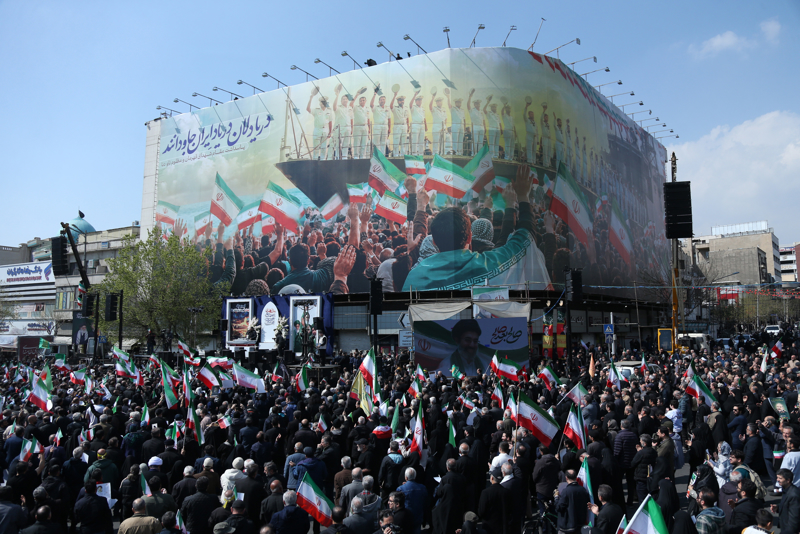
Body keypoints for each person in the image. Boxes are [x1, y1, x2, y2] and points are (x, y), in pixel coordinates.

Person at [402, 164, 551, 293]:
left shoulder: (415, 278)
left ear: (434, 241)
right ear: (469, 237)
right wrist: (523, 196)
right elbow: (524, 239)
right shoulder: (491, 264)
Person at [555, 469, 589, 534]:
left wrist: (556, 498)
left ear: (566, 478)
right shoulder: (583, 490)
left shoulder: (566, 491)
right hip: (580, 525)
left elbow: (559, 507)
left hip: (567, 527)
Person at [771, 468, 800, 534]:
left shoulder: (794, 495)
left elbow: (794, 518)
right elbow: (788, 505)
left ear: (788, 480)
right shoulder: (786, 490)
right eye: (777, 477)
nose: (777, 480)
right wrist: (778, 507)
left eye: (780, 478)